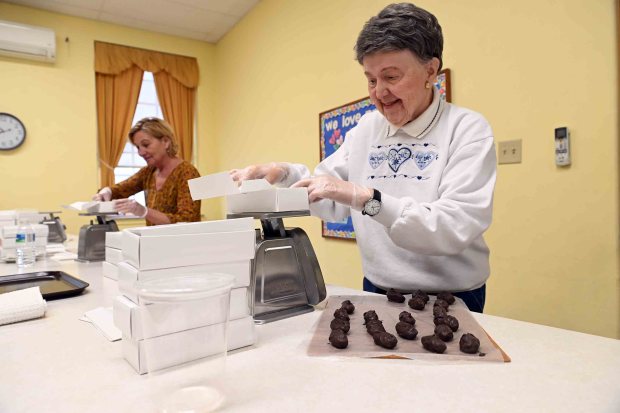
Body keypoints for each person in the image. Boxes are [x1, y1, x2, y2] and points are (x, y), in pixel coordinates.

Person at [231, 3, 496, 312]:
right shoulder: (367, 129)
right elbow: (330, 197)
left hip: (452, 295)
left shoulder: (467, 129)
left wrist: (367, 199)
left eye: (391, 77)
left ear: (430, 70)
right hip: (377, 287)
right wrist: (282, 173)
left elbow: (452, 226)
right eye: (371, 80)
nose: (379, 93)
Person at [93, 117, 201, 226]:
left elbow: (187, 220)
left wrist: (144, 211)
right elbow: (122, 189)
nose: (141, 152)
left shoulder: (188, 173)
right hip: (153, 240)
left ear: (166, 142)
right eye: (138, 147)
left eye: (145, 145)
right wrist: (107, 192)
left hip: (181, 241)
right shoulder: (148, 172)